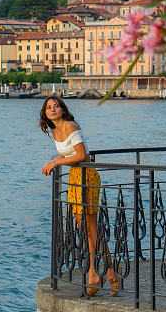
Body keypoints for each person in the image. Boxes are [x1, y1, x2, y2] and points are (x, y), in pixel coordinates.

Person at [40, 95, 119, 297]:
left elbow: (82, 154)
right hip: (75, 177)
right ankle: (107, 272)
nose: (53, 109)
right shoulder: (54, 131)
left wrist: (57, 162)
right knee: (86, 227)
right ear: (45, 113)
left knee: (90, 227)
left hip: (87, 176)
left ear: (63, 109)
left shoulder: (70, 126)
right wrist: (60, 158)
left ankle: (96, 273)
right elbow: (70, 155)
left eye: (56, 105)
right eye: (49, 107)